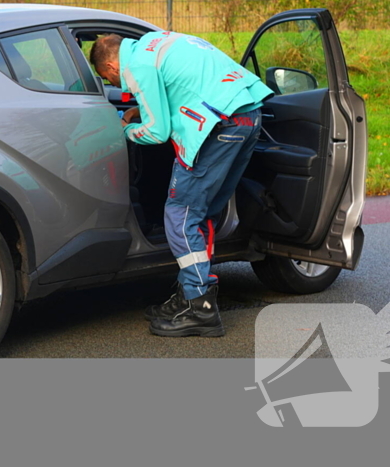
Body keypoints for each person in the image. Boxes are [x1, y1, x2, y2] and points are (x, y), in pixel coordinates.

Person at [91, 32, 273, 337]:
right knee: (204, 215)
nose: (114, 85)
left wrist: (124, 130)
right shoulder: (154, 42)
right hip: (248, 114)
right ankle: (191, 294)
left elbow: (157, 132)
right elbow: (181, 87)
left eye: (108, 79)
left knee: (180, 214)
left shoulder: (136, 68)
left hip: (216, 125)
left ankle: (200, 307)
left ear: (111, 66)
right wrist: (142, 111)